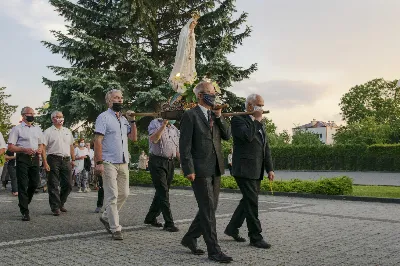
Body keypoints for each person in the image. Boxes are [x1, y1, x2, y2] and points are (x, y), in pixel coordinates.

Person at [179, 81, 232, 263]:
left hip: (215, 167)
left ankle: (190, 238)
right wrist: (188, 168)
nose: (214, 95)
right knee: (208, 209)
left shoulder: (214, 115)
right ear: (200, 95)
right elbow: (184, 145)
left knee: (210, 208)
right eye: (210, 92)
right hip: (199, 170)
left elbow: (227, 135)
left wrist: (219, 117)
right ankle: (214, 250)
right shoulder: (190, 115)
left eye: (214, 92)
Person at [224, 94, 274, 249]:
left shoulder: (260, 124)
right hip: (244, 169)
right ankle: (255, 237)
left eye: (263, 105)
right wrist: (257, 121)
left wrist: (270, 168)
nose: (262, 108)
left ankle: (232, 229)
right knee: (252, 202)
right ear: (250, 106)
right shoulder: (238, 120)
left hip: (256, 170)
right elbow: (247, 137)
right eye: (259, 104)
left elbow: (265, 147)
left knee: (247, 201)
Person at [94, 89, 137, 240]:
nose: (119, 100)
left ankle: (106, 216)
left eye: (121, 98)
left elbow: (133, 138)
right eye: (116, 98)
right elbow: (98, 141)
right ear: (108, 101)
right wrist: (98, 163)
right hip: (108, 161)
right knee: (112, 195)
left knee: (124, 193)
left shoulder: (124, 120)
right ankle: (115, 228)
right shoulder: (103, 117)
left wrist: (132, 120)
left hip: (123, 161)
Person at [8, 107, 44, 221]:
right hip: (22, 157)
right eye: (30, 113)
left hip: (35, 158)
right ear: (23, 115)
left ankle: (24, 202)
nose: (32, 115)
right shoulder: (17, 129)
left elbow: (41, 144)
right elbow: (11, 146)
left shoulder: (37, 129)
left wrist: (39, 149)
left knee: (34, 183)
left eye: (33, 113)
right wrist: (24, 149)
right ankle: (25, 211)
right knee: (23, 184)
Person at [144, 118, 180, 232]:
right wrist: (163, 125)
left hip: (170, 162)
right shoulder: (155, 123)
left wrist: (184, 164)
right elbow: (154, 139)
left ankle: (150, 217)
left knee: (162, 191)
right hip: (157, 161)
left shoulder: (175, 129)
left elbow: (177, 148)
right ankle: (169, 223)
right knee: (163, 191)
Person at [41, 111, 75, 216]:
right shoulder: (48, 132)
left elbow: (71, 146)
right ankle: (55, 207)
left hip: (66, 159)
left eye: (61, 116)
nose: (60, 118)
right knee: (53, 184)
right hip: (53, 159)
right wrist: (45, 162)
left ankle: (61, 202)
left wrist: (73, 159)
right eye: (57, 117)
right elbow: (43, 147)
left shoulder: (67, 131)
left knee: (68, 184)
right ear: (53, 119)